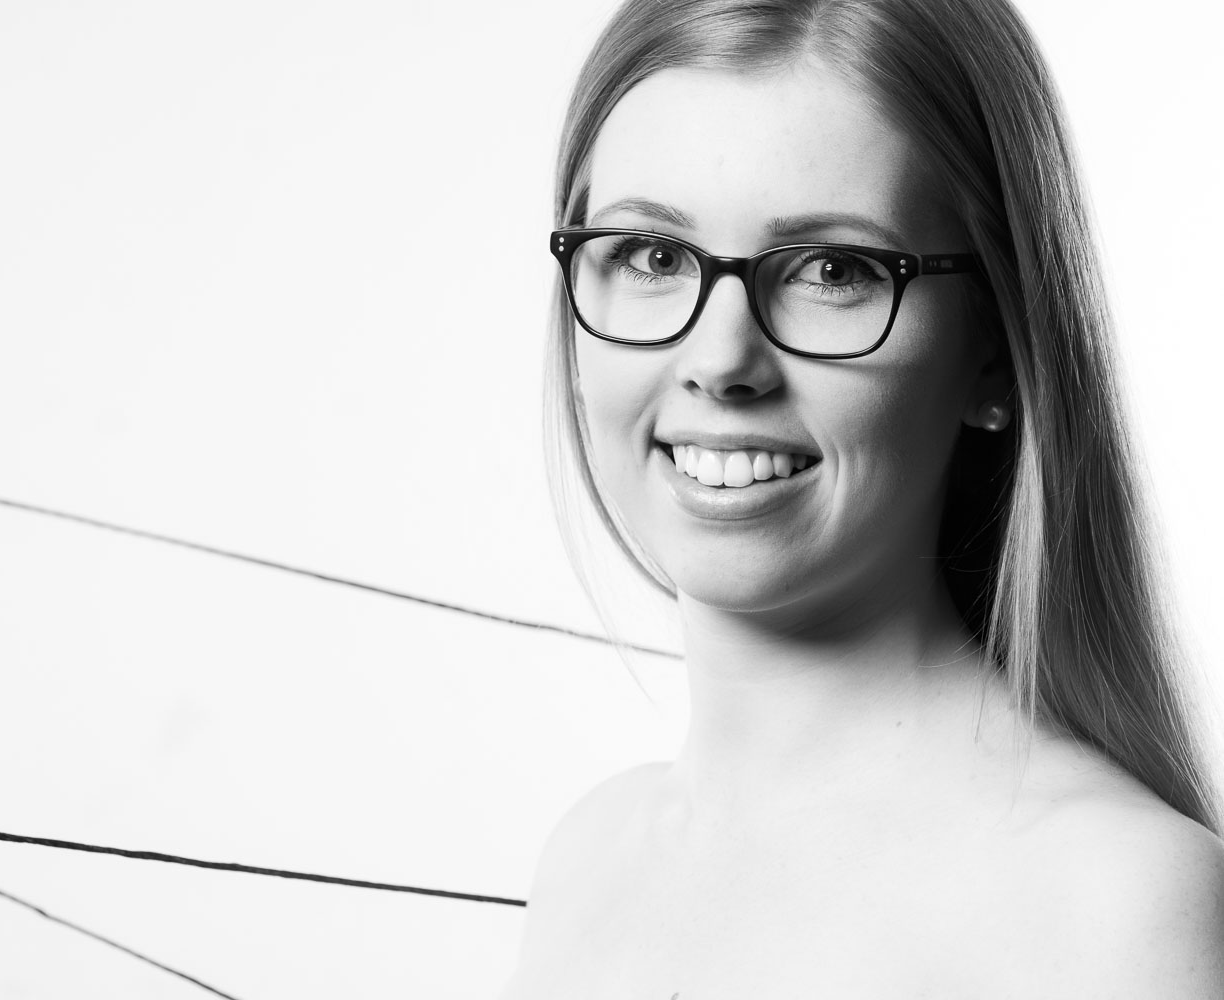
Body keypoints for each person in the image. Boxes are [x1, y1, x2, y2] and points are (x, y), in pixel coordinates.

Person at [503, 0, 1224, 995]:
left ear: (994, 351)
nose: (721, 359)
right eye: (652, 257)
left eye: (833, 270)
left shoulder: (1118, 908)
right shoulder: (586, 864)